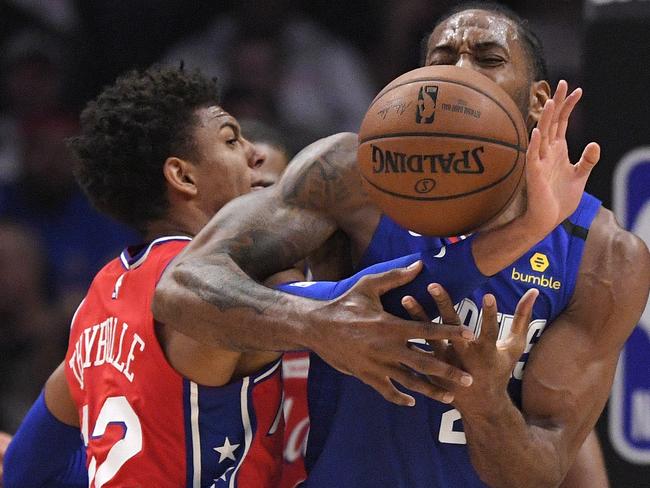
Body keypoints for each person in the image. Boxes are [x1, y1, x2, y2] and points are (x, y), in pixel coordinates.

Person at [151, 3, 650, 488]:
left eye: (488, 59)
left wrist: (486, 405)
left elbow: (542, 472)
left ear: (538, 100)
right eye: (443, 58)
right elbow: (180, 287)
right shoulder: (350, 175)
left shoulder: (605, 257)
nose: (461, 71)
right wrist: (320, 325)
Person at [2, 66, 489, 487]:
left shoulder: (98, 302)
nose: (255, 156)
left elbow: (25, 467)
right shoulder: (225, 291)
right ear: (184, 177)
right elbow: (388, 293)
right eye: (232, 140)